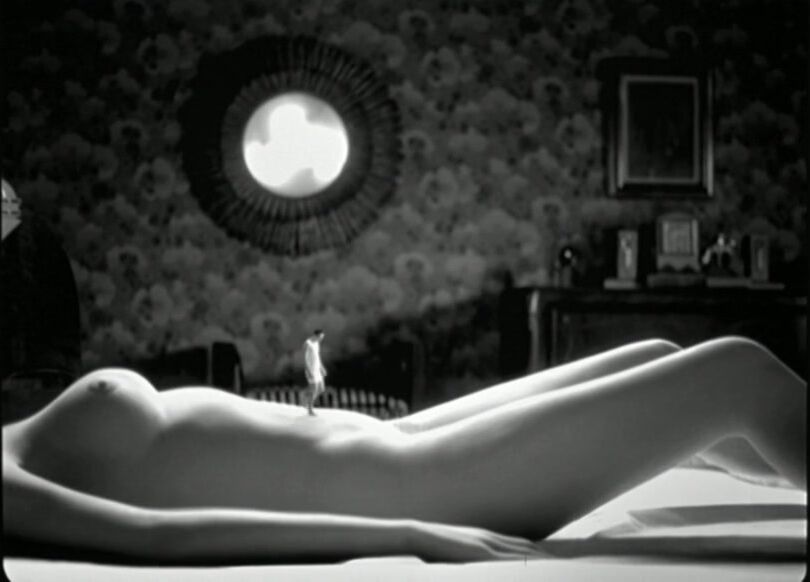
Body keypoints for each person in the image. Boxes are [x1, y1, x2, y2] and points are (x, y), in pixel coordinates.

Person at [2, 337, 806, 563]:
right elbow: (156, 538)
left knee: (658, 355)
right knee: (734, 373)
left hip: (401, 439)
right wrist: (408, 533)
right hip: (414, 484)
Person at [303, 329, 327, 415]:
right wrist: (309, 371)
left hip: (317, 369)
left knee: (321, 388)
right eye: (320, 337)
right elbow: (305, 359)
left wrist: (322, 368)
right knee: (314, 389)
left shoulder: (317, 344)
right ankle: (310, 409)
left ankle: (306, 398)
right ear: (316, 335)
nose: (321, 339)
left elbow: (317, 356)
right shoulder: (307, 343)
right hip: (311, 369)